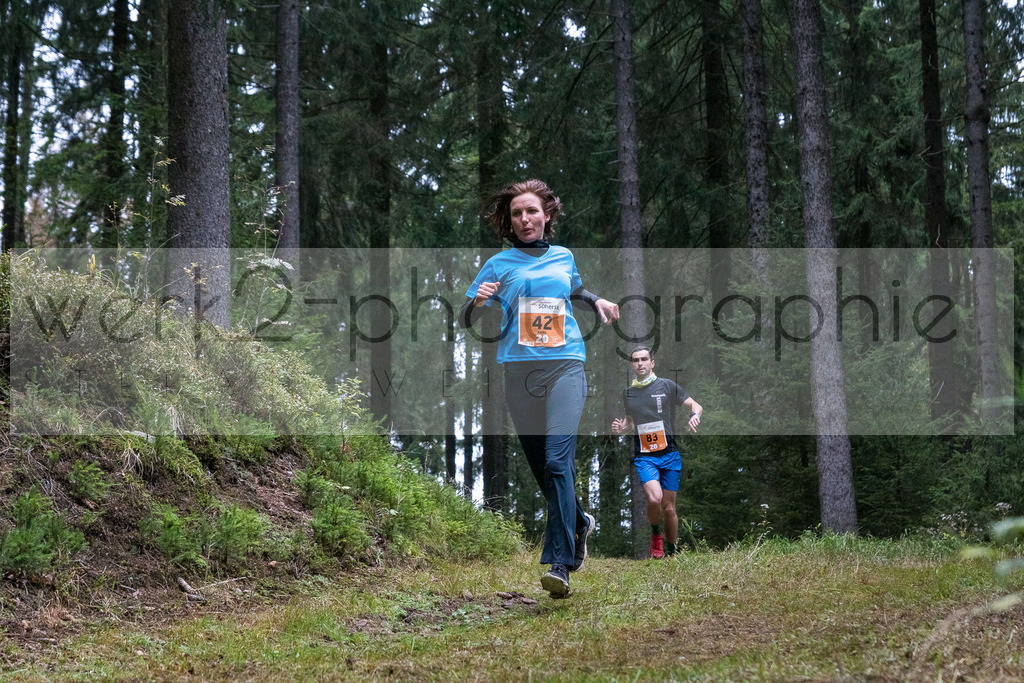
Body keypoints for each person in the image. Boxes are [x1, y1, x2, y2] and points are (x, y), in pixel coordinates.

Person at [459, 179, 619, 598]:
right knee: (542, 470)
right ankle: (579, 521)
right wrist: (479, 302)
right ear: (509, 222)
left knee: (556, 459)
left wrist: (597, 299)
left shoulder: (563, 256)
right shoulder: (498, 264)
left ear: (546, 214)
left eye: (531, 211)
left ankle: (561, 564)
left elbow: (575, 287)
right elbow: (466, 318)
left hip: (566, 364)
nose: (525, 219)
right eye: (516, 214)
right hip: (519, 373)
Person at [611, 346, 702, 558]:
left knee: (669, 508)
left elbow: (695, 405)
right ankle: (655, 534)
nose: (640, 363)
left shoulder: (667, 386)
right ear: (632, 365)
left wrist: (695, 415)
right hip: (645, 457)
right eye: (636, 360)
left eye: (644, 359)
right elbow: (630, 423)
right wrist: (621, 428)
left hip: (669, 454)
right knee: (654, 500)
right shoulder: (628, 394)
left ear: (652, 363)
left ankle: (671, 552)